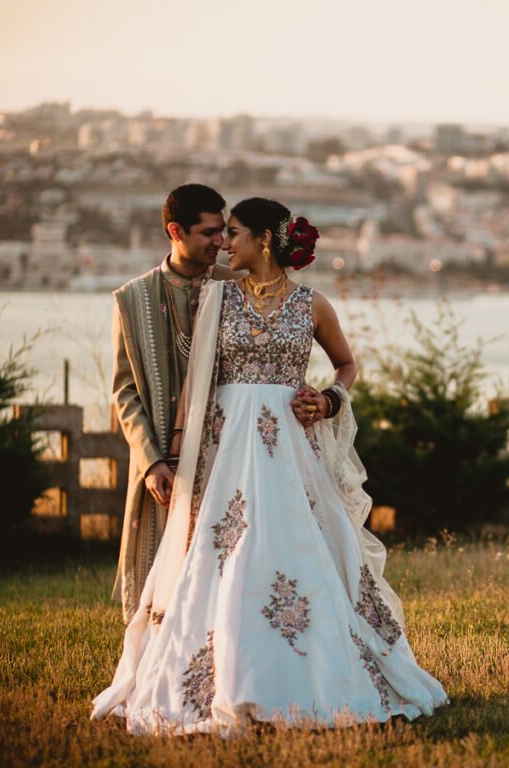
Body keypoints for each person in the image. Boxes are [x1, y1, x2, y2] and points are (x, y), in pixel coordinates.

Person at [92, 197, 447, 734]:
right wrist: (175, 456)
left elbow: (347, 365)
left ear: (263, 240)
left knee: (297, 546)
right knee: (226, 555)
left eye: (232, 234)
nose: (223, 245)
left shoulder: (313, 304)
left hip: (291, 450)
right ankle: (224, 678)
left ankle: (318, 679)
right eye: (220, 233)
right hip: (227, 448)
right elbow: (195, 385)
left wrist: (330, 399)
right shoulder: (218, 298)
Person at [111, 183, 234, 623]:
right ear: (174, 230)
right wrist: (150, 462)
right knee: (163, 574)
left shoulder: (237, 289)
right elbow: (124, 391)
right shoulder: (132, 299)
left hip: (228, 451)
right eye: (208, 233)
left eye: (223, 231)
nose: (220, 242)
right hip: (164, 458)